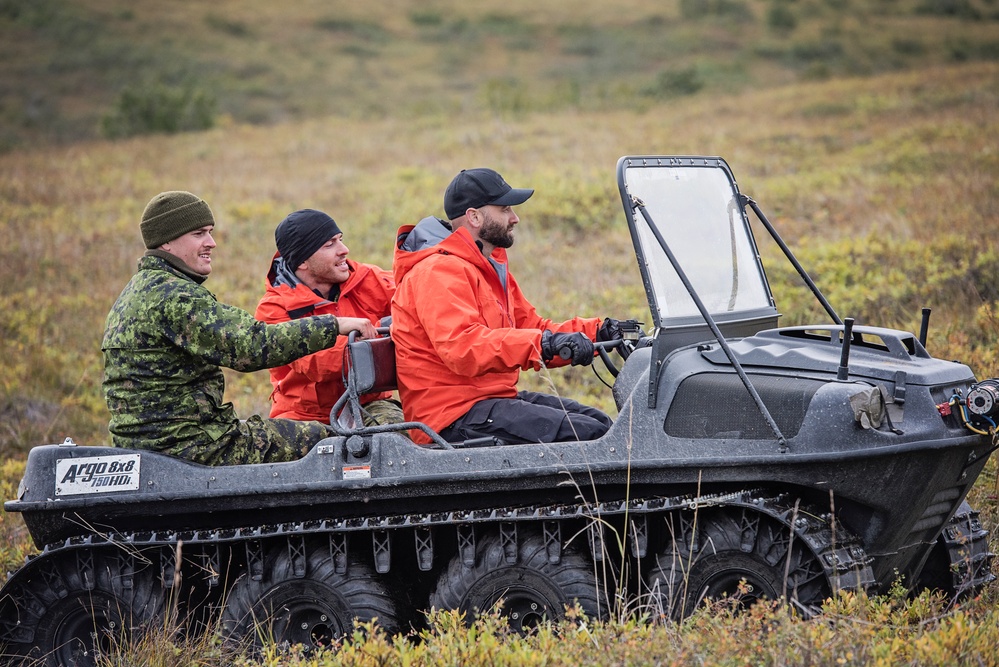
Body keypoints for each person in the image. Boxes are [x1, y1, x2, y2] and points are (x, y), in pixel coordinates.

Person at [102, 191, 378, 466]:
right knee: (328, 440)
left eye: (210, 232)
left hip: (152, 441)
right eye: (199, 234)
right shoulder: (174, 297)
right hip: (191, 445)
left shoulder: (137, 291)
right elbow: (252, 346)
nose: (211, 243)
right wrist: (334, 324)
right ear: (167, 242)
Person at [391, 168, 626, 446]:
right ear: (474, 216)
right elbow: (463, 347)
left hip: (488, 401)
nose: (514, 218)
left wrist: (596, 332)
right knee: (591, 436)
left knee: (602, 424)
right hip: (451, 417)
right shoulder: (437, 271)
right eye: (504, 209)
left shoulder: (487, 266)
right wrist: (544, 343)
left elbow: (533, 328)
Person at [255, 208, 402, 427]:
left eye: (340, 240)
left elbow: (417, 300)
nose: (344, 250)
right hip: (303, 416)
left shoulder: (368, 279)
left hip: (369, 404)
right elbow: (317, 362)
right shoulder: (274, 308)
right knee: (303, 458)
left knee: (397, 438)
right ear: (302, 262)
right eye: (329, 244)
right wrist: (375, 335)